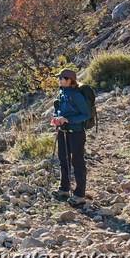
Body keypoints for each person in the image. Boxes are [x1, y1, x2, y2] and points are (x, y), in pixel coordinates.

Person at [50, 68, 91, 205]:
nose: (59, 80)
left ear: (69, 80)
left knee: (77, 162)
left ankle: (80, 194)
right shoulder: (62, 93)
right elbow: (59, 110)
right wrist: (57, 118)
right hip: (63, 131)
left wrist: (68, 120)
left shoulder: (76, 95)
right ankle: (64, 188)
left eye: (61, 78)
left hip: (77, 133)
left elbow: (86, 114)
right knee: (63, 159)